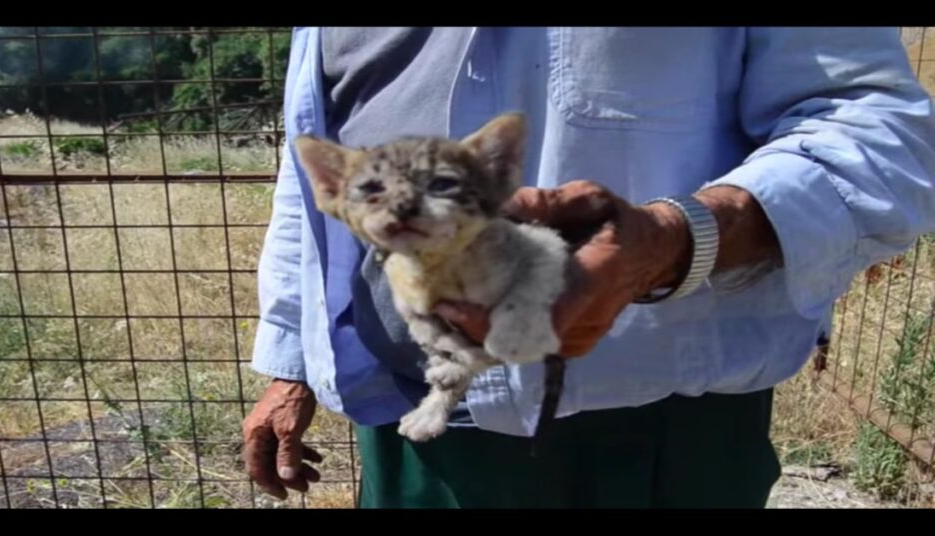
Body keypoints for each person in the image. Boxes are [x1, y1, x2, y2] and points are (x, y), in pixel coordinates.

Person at [240, 27, 935, 508]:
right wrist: (290, 363)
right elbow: (317, 163)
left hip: (657, 438)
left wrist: (671, 241)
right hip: (405, 428)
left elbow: (879, 130)